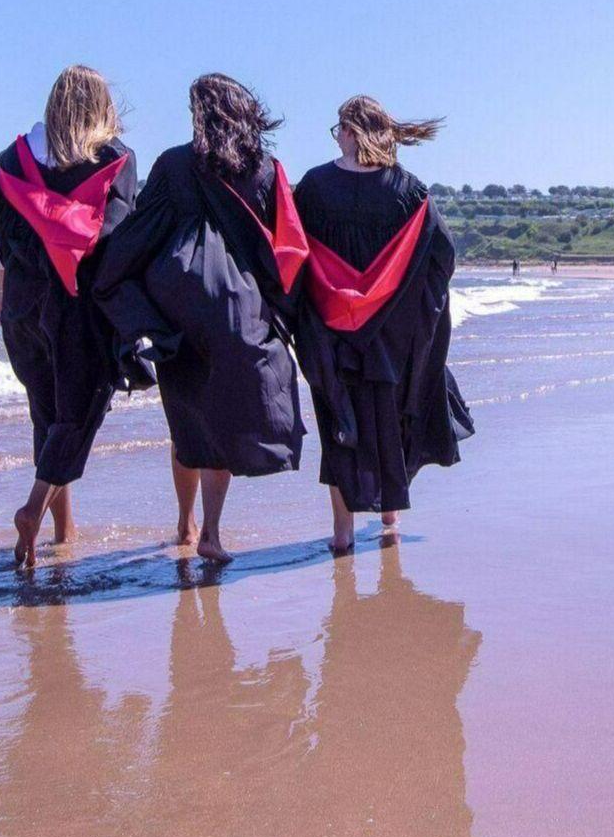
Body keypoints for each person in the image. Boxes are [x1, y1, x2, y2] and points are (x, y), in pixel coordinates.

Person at [90, 74, 309, 563]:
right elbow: (283, 249)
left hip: (179, 313)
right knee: (223, 420)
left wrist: (117, 285)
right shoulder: (266, 170)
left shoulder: (173, 165)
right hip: (242, 315)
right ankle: (210, 530)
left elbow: (138, 234)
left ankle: (184, 524)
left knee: (188, 423)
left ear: (200, 114)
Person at [293, 95, 471, 554]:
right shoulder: (408, 190)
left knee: (338, 417)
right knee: (388, 416)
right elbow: (442, 256)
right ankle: (390, 515)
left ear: (351, 131)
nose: (338, 137)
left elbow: (293, 251)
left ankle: (343, 531)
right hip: (391, 333)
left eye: (339, 129)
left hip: (330, 329)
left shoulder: (313, 187)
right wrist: (413, 311)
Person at [0, 66, 142, 570]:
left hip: (23, 307)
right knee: (78, 415)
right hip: (80, 306)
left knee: (46, 412)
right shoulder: (116, 159)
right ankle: (34, 510)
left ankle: (63, 529)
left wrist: (1, 297)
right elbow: (119, 242)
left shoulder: (11, 160)